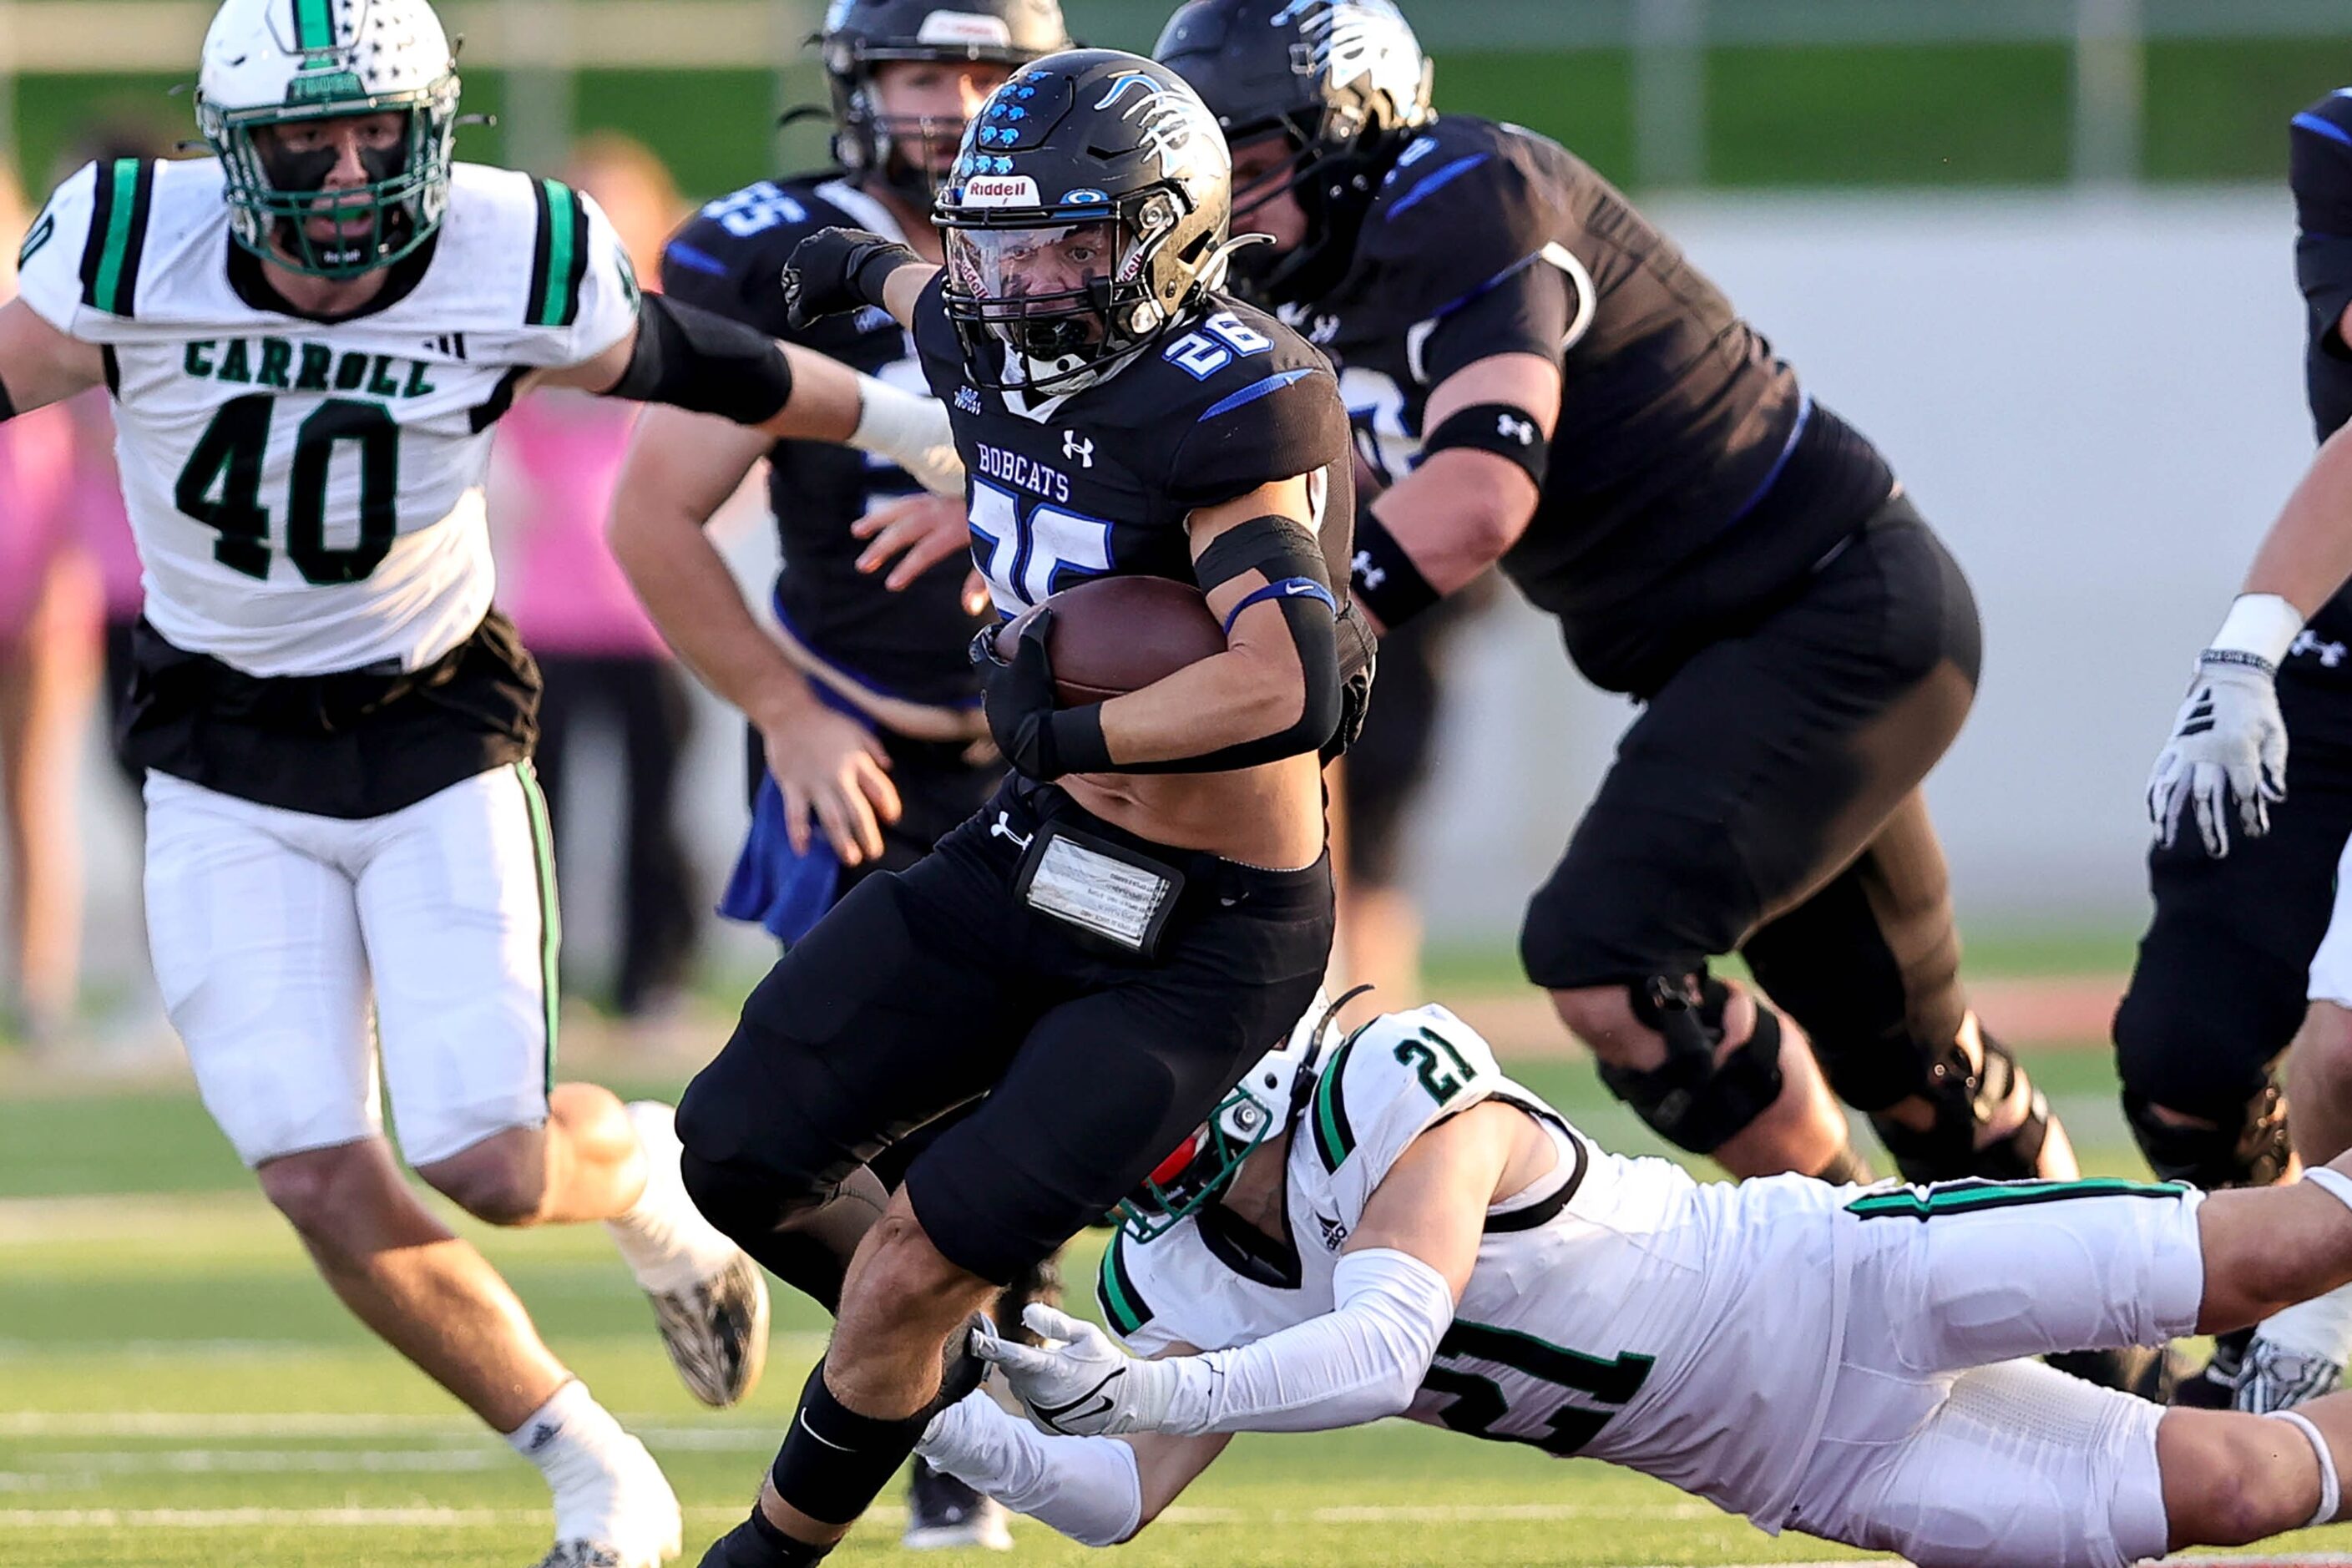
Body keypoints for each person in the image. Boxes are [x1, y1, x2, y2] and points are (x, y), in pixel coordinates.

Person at [0, 0, 975, 1561]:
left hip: (431, 724)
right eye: (300, 140)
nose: (339, 173)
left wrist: (909, 423)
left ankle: (645, 1174)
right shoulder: (128, 240)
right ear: (224, 151)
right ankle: (597, 1468)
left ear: (433, 128)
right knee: (316, 1170)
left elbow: (691, 359)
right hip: (217, 743)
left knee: (493, 1159)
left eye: (373, 133)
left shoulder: (501, 246)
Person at [1151, 0, 2093, 1203]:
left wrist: (1294, 638)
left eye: (1261, 164)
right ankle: (2108, 1349)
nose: (1238, 211)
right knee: (1917, 1064)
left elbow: (1482, 493)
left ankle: (1866, 1269)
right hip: (1733, 660)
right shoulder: (1288, 284)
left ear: (1353, 133)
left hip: (1835, 610)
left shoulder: (1461, 191)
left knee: (1605, 959)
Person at [675, 48, 1364, 1568]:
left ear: (1177, 236)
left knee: (920, 1254)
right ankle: (969, 1374)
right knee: (733, 1148)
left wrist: (1068, 721)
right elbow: (921, 290)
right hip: (1038, 852)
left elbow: (1287, 680)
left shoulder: (1241, 392)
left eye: (1068, 243)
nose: (1025, 279)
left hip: (1206, 925)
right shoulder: (979, 321)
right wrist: (852, 263)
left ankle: (770, 1542)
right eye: (997, 239)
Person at [917, 998, 2352, 1568]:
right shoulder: (1173, 1261)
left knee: (2270, 1251)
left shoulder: (1384, 1078)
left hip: (1836, 1276)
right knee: (2237, 1490)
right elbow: (1113, 1499)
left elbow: (1381, 1343)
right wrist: (927, 1404)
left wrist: (1146, 1382)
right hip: (1803, 1462)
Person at [605, 0, 1070, 1547]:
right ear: (855, 87)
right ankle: (953, 1398)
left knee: (1050, 1116)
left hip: (1084, 758)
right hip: (861, 743)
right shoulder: (779, 252)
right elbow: (654, 517)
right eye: (919, 70)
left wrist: (1002, 494)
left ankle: (992, 1388)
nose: (952, 103)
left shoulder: (1106, 229)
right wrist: (785, 711)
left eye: (987, 69)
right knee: (838, 1117)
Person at [2118, 83, 2352, 1413]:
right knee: (2190, 1047)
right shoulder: (2338, 141)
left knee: (2344, 1050)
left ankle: (2308, 1328)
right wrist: (2247, 648)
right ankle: (2279, 1314)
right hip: (2335, 646)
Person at [500, 134, 698, 1024]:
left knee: (653, 812)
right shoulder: (529, 329)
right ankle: (540, 982)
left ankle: (651, 979)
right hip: (549, 620)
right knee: (540, 820)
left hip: (650, 618)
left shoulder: (680, 326)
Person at [0, 161, 103, 1050]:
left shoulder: (46, 324)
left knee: (35, 796)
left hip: (40, 599)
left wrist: (60, 581)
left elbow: (69, 476)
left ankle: (42, 989)